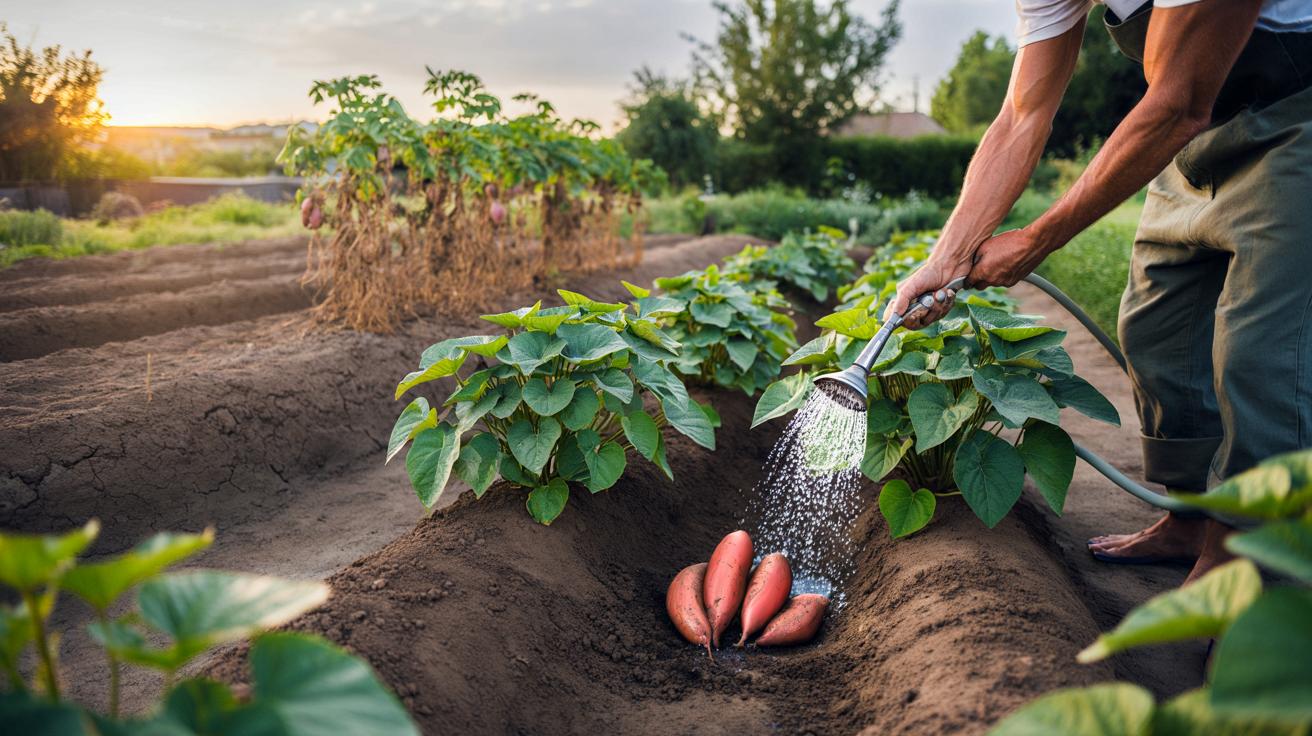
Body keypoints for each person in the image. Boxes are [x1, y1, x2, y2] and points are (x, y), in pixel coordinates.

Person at [887, 0, 1312, 585]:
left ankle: (1250, 561)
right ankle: (1190, 517)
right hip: (1196, 132)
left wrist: (1037, 239)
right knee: (1158, 325)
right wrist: (947, 257)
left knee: (1262, 354)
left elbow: (1177, 102)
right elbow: (1021, 112)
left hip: (1296, 115)